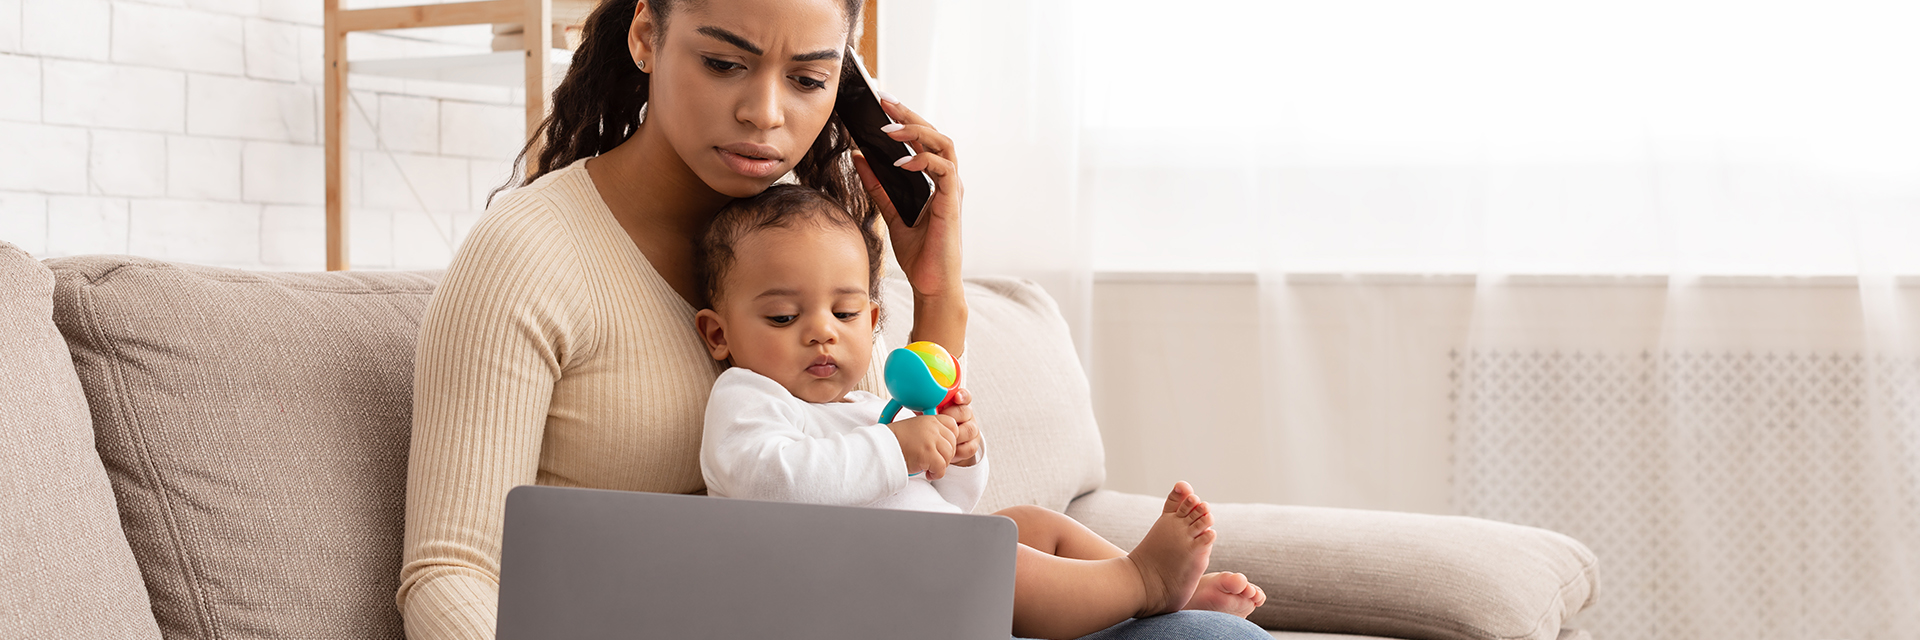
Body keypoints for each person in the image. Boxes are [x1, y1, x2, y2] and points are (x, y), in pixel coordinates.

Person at [396, 1, 1276, 638]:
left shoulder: (792, 242)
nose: (767, 114)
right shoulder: (528, 253)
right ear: (644, 33)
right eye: (724, 61)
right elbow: (448, 575)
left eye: (811, 77)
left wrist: (937, 289)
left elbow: (897, 443)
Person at [692, 185, 1269, 640]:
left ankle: (1166, 595)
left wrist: (958, 455)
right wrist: (898, 448)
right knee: (981, 557)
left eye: (844, 313)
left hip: (929, 572)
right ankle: (1142, 581)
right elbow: (767, 482)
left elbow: (948, 503)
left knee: (1022, 525)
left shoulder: (868, 407)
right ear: (719, 333)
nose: (821, 333)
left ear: (872, 324)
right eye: (783, 318)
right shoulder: (749, 397)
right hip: (857, 602)